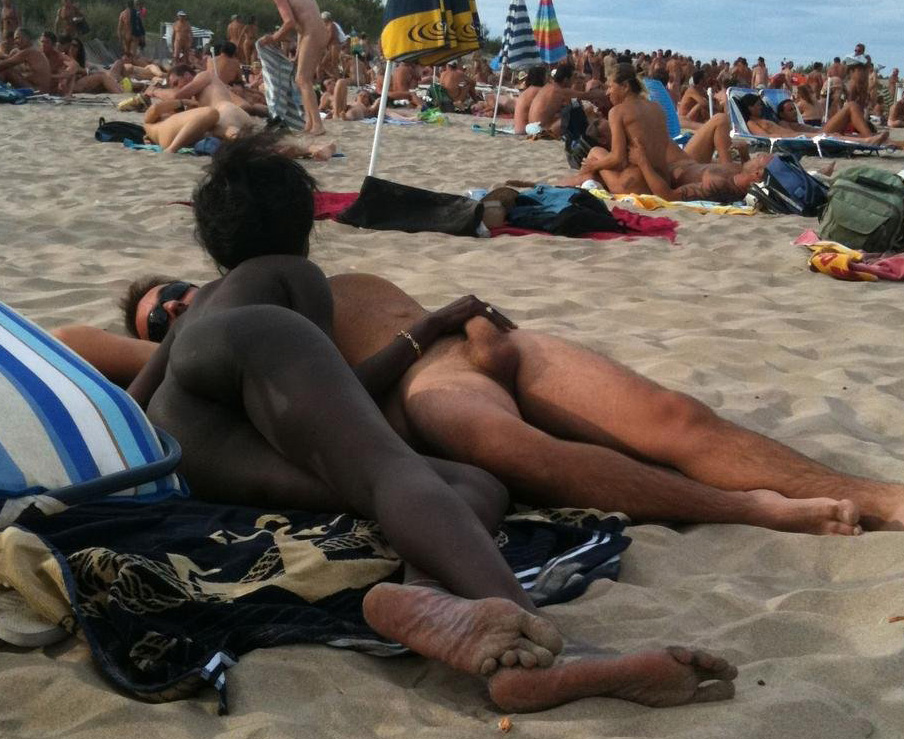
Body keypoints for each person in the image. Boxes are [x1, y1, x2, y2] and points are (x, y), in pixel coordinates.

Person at [121, 132, 738, 713]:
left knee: (474, 484)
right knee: (389, 473)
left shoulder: (193, 316)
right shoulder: (293, 274)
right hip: (253, 365)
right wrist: (428, 328)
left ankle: (431, 597)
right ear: (302, 224)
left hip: (197, 451)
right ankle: (543, 646)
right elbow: (345, 394)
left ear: (213, 243)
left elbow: (129, 405)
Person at [258, 0, 327, 136]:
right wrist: (298, 53)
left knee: (303, 80)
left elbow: (289, 22)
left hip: (312, 33)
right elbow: (301, 27)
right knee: (301, 80)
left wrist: (273, 38)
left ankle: (317, 124)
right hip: (316, 31)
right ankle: (310, 123)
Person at [737, 93, 889, 145]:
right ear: (749, 108)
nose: (761, 107)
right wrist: (785, 136)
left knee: (834, 134)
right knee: (833, 133)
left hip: (798, 135)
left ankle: (869, 139)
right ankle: (868, 140)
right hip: (793, 138)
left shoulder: (770, 120)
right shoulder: (751, 122)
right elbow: (764, 137)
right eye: (758, 105)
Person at [527, 61, 607, 138]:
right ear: (566, 80)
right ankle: (582, 137)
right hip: (541, 131)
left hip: (531, 128)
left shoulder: (548, 87)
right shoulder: (560, 91)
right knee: (575, 113)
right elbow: (587, 96)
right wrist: (606, 93)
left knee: (573, 108)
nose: (574, 81)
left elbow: (574, 101)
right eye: (573, 78)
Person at [0, 28, 52, 93]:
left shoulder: (29, 51)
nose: (15, 42)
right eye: (15, 39)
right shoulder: (28, 51)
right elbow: (8, 60)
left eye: (17, 38)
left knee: (6, 70)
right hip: (33, 87)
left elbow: (5, 64)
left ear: (27, 38)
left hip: (37, 90)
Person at [513, 66, 547, 135]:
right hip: (526, 131)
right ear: (542, 77)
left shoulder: (528, 91)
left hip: (518, 129)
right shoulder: (539, 91)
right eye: (546, 76)